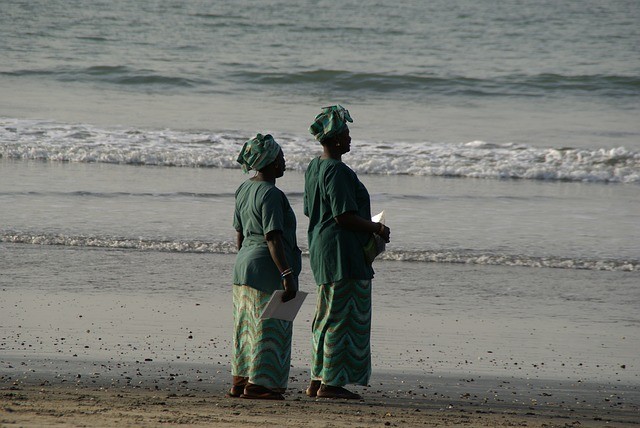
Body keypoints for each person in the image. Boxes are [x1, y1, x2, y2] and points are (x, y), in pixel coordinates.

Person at [303, 106, 390, 399]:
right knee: (343, 316)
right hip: (342, 252)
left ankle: (318, 379)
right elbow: (343, 216)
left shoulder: (314, 167)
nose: (351, 139)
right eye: (347, 134)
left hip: (322, 247)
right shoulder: (337, 171)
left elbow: (310, 210)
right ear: (336, 140)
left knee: (326, 315)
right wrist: (376, 229)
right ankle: (331, 383)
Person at [230, 133, 302, 400]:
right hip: (268, 267)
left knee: (245, 327)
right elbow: (273, 237)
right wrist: (287, 274)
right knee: (270, 328)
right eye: (281, 157)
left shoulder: (244, 189)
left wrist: (247, 259)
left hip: (244, 266)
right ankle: (260, 385)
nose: (284, 162)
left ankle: (240, 380)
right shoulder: (271, 194)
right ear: (270, 162)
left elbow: (239, 233)